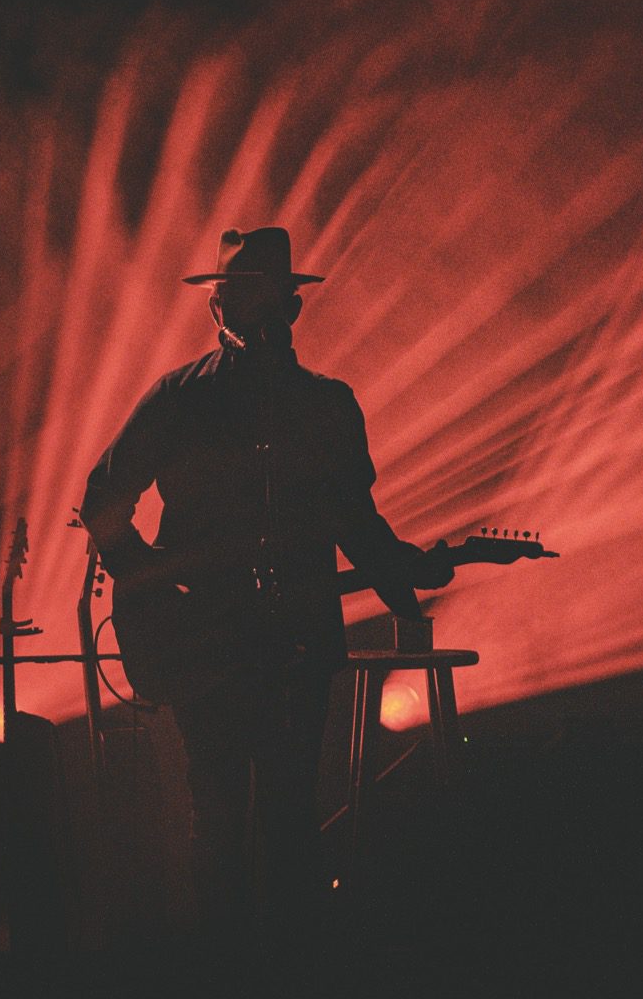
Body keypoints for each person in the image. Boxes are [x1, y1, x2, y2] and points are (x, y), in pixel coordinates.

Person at [81, 227, 455, 989]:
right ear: (223, 306)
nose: (252, 313)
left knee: (276, 818)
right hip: (223, 647)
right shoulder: (186, 398)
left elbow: (357, 521)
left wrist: (410, 577)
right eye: (238, 297)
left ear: (284, 305)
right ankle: (234, 974)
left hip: (282, 644)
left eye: (262, 298)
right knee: (225, 814)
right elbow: (101, 503)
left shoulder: (315, 404)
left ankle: (276, 974)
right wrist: (154, 580)